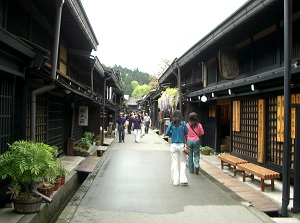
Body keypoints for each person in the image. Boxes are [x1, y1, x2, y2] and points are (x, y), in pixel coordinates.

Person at [165, 110, 188, 186]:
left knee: (174, 162)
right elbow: (186, 133)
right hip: (181, 145)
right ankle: (183, 179)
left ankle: (175, 181)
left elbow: (167, 133)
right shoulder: (183, 123)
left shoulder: (171, 124)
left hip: (174, 145)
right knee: (183, 162)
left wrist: (173, 133)